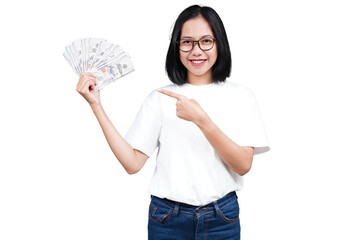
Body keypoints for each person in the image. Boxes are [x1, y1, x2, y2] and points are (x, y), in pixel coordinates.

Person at [76, 4, 270, 240]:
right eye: (187, 42)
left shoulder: (241, 97)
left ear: (219, 43)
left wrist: (202, 120)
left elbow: (243, 165)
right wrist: (96, 105)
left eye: (206, 41)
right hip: (168, 220)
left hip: (222, 219)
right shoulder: (160, 98)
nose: (196, 50)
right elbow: (132, 164)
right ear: (176, 47)